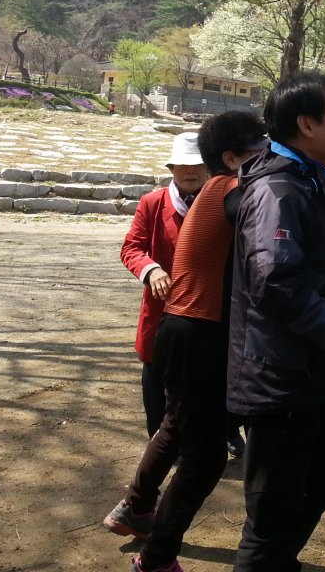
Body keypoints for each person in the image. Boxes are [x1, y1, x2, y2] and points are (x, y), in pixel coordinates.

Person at [227, 72, 325, 572]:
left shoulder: (309, 179)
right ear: (307, 124)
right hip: (279, 378)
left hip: (311, 370)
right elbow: (276, 283)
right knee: (272, 514)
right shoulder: (278, 190)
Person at [106, 111, 268, 572]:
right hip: (198, 335)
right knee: (205, 457)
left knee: (176, 427)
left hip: (186, 330)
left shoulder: (218, 189)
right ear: (233, 158)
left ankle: (136, 507)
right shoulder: (233, 191)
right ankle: (155, 560)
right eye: (260, 149)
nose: (268, 156)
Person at [118, 132, 207, 438]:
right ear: (171, 169)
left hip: (206, 308)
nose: (191, 171)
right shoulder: (153, 203)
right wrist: (151, 270)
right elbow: (131, 248)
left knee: (205, 379)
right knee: (155, 377)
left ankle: (223, 433)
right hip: (161, 308)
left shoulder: (221, 202)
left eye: (197, 165)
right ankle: (158, 440)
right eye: (183, 166)